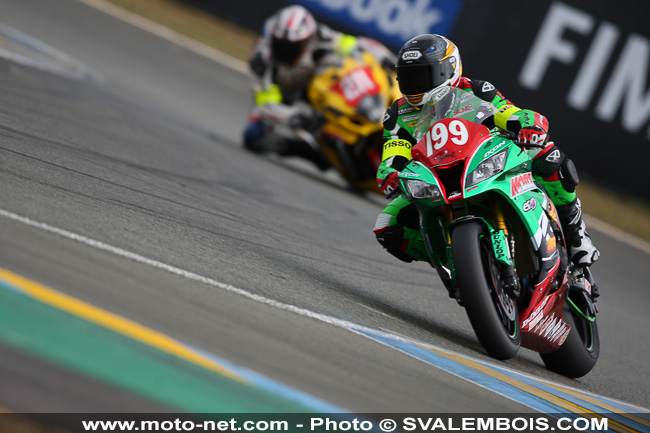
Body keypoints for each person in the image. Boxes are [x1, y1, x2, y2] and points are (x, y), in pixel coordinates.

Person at [373, 33, 600, 272]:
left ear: (448, 69)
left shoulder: (475, 89)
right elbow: (394, 151)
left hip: (489, 159)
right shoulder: (398, 114)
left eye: (422, 76)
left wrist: (529, 125)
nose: (415, 85)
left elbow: (509, 113)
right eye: (409, 77)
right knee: (387, 227)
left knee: (551, 158)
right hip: (436, 177)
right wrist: (389, 173)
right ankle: (460, 263)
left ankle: (577, 237)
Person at [242, 5, 396, 170]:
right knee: (252, 136)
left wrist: (388, 58)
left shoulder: (320, 37)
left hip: (316, 88)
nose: (285, 51)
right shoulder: (261, 58)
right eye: (281, 45)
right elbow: (264, 103)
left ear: (307, 40)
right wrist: (294, 117)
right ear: (272, 38)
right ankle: (310, 152)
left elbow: (359, 44)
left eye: (292, 46)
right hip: (281, 98)